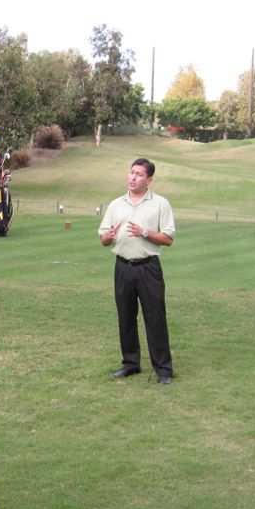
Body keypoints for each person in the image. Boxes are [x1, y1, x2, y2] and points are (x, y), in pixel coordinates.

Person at [98, 158, 176, 384]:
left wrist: (144, 232)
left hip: (148, 268)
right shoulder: (116, 204)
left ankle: (163, 370)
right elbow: (103, 238)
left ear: (149, 179)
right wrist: (108, 237)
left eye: (139, 174)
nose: (133, 177)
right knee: (125, 317)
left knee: (155, 318)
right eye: (131, 172)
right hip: (122, 267)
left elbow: (168, 238)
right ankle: (130, 364)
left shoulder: (160, 204)